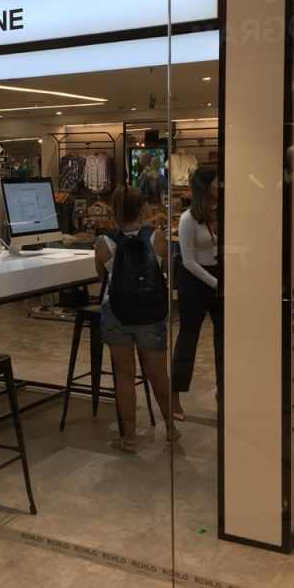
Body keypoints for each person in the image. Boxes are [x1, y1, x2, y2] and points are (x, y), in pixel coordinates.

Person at [94, 184, 179, 452]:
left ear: (114, 209)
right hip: (150, 314)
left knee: (124, 374)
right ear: (142, 208)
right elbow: (166, 272)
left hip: (116, 313)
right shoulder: (156, 237)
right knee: (158, 373)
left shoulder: (104, 243)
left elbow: (102, 279)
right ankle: (171, 427)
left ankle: (129, 438)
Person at [171, 164, 221, 422]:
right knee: (188, 338)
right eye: (216, 182)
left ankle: (224, 391)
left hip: (218, 277)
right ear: (205, 187)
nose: (221, 186)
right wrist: (216, 283)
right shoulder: (188, 219)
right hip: (194, 281)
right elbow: (188, 260)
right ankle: (174, 393)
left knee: (225, 339)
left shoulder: (223, 212)